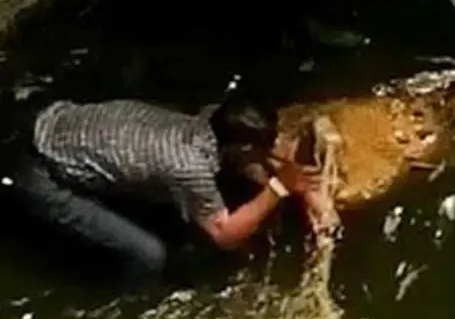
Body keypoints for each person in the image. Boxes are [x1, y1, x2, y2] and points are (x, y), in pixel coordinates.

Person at [5, 93, 316, 287]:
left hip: (49, 118)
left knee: (171, 210)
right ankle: (124, 306)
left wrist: (278, 172)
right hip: (43, 175)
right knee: (150, 255)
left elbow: (239, 160)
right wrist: (278, 188)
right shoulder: (190, 165)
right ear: (241, 146)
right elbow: (226, 235)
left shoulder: (208, 118)